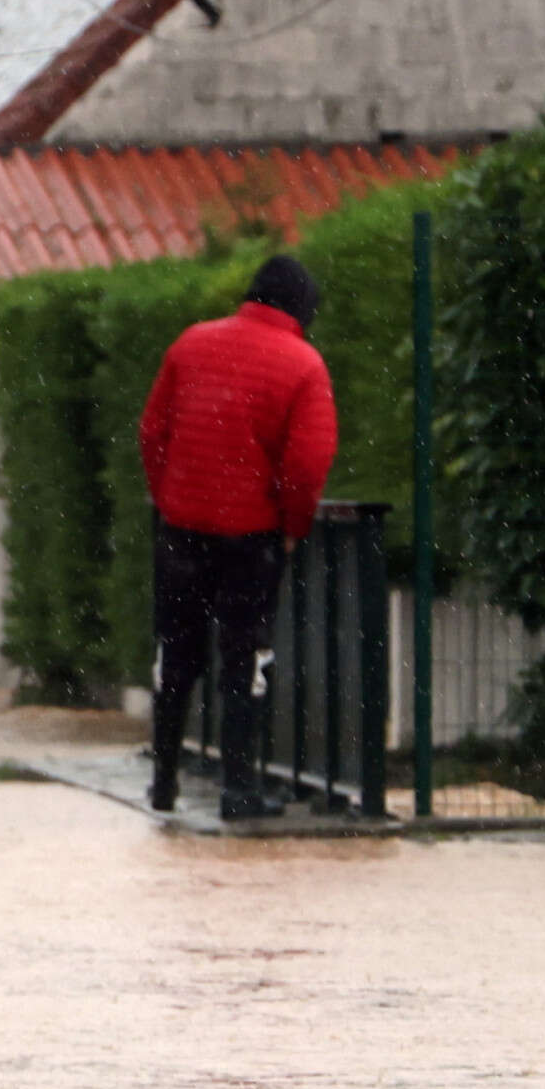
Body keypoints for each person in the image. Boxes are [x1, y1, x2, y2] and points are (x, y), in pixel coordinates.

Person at [139, 252, 339, 820]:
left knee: (175, 654)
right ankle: (238, 790)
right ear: (302, 309)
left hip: (181, 530)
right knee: (243, 658)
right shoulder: (303, 364)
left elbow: (153, 431)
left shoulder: (191, 342)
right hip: (250, 537)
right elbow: (306, 464)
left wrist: (170, 496)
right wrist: (292, 528)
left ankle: (164, 781)